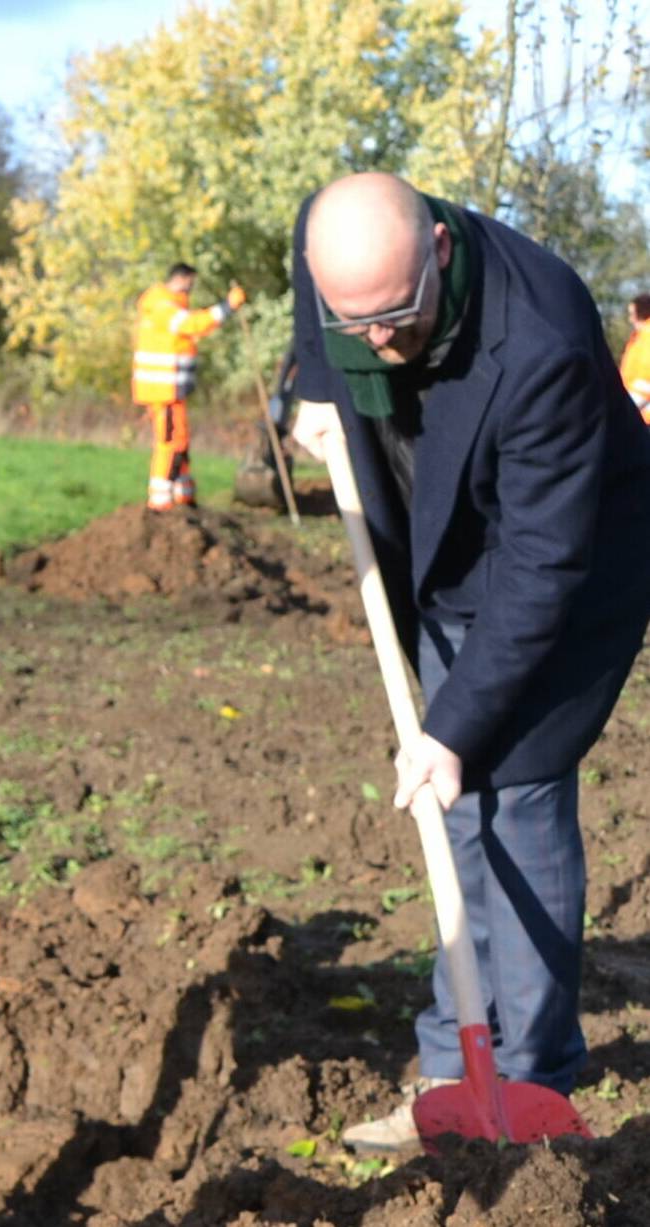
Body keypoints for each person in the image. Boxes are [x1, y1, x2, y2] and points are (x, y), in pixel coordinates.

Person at [285, 172, 650, 1153]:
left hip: (560, 579)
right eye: (349, 322)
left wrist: (449, 731)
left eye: (395, 319)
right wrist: (316, 385)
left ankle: (522, 1082)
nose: (377, 343)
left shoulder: (544, 344)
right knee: (461, 814)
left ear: (439, 252)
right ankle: (452, 1064)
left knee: (513, 799)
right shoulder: (349, 252)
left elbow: (541, 572)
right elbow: (311, 251)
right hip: (441, 547)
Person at [132, 262, 246, 510]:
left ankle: (184, 495)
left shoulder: (170, 304)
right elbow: (193, 324)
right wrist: (227, 307)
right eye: (190, 283)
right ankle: (160, 501)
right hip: (162, 391)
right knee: (170, 441)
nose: (191, 289)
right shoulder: (161, 305)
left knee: (181, 440)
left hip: (174, 390)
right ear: (181, 279)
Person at [619, 293, 650, 423]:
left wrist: (625, 411)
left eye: (632, 314)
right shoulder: (639, 338)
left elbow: (646, 380)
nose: (631, 319)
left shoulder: (647, 339)